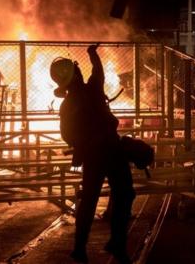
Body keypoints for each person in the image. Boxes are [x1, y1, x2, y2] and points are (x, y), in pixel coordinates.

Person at [51, 44, 135, 263]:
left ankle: (80, 248)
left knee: (89, 200)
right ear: (76, 74)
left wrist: (84, 144)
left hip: (92, 156)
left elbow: (67, 135)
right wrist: (92, 53)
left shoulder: (67, 104)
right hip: (112, 151)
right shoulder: (93, 88)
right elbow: (98, 71)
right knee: (124, 193)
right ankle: (117, 243)